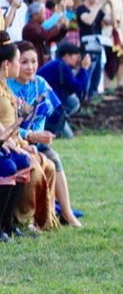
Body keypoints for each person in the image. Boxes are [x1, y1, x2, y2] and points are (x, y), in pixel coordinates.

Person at [11, 41, 79, 228]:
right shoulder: (7, 86)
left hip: (34, 140)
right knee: (39, 163)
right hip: (15, 141)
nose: (30, 67)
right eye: (24, 62)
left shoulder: (40, 84)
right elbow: (6, 126)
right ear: (14, 62)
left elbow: (42, 114)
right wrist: (30, 136)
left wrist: (40, 135)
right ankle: (30, 216)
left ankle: (66, 212)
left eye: (34, 61)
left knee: (53, 158)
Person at [0, 34, 57, 234]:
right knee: (22, 166)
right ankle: (16, 220)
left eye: (34, 61)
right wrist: (23, 141)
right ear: (8, 65)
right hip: (8, 145)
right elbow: (3, 131)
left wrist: (25, 141)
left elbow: (12, 128)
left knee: (48, 164)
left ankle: (40, 219)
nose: (29, 66)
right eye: (20, 61)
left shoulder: (6, 88)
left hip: (16, 142)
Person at [38, 44, 90, 139]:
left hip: (50, 104)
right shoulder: (61, 66)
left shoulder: (58, 64)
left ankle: (60, 123)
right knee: (69, 137)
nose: (79, 60)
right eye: (77, 57)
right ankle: (55, 127)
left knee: (73, 101)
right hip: (47, 108)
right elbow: (78, 87)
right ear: (67, 56)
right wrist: (84, 69)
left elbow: (74, 87)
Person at [22, 0, 72, 66]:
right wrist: (58, 25)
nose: (45, 16)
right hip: (32, 60)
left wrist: (63, 29)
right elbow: (44, 36)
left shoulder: (38, 26)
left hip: (40, 59)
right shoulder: (30, 27)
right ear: (35, 15)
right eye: (43, 13)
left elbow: (51, 38)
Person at [75, 0, 107, 99]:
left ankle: (92, 99)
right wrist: (98, 5)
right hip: (87, 48)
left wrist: (110, 4)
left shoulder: (97, 10)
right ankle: (83, 99)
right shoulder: (81, 9)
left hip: (98, 46)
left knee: (97, 76)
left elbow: (110, 21)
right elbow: (88, 20)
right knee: (87, 74)